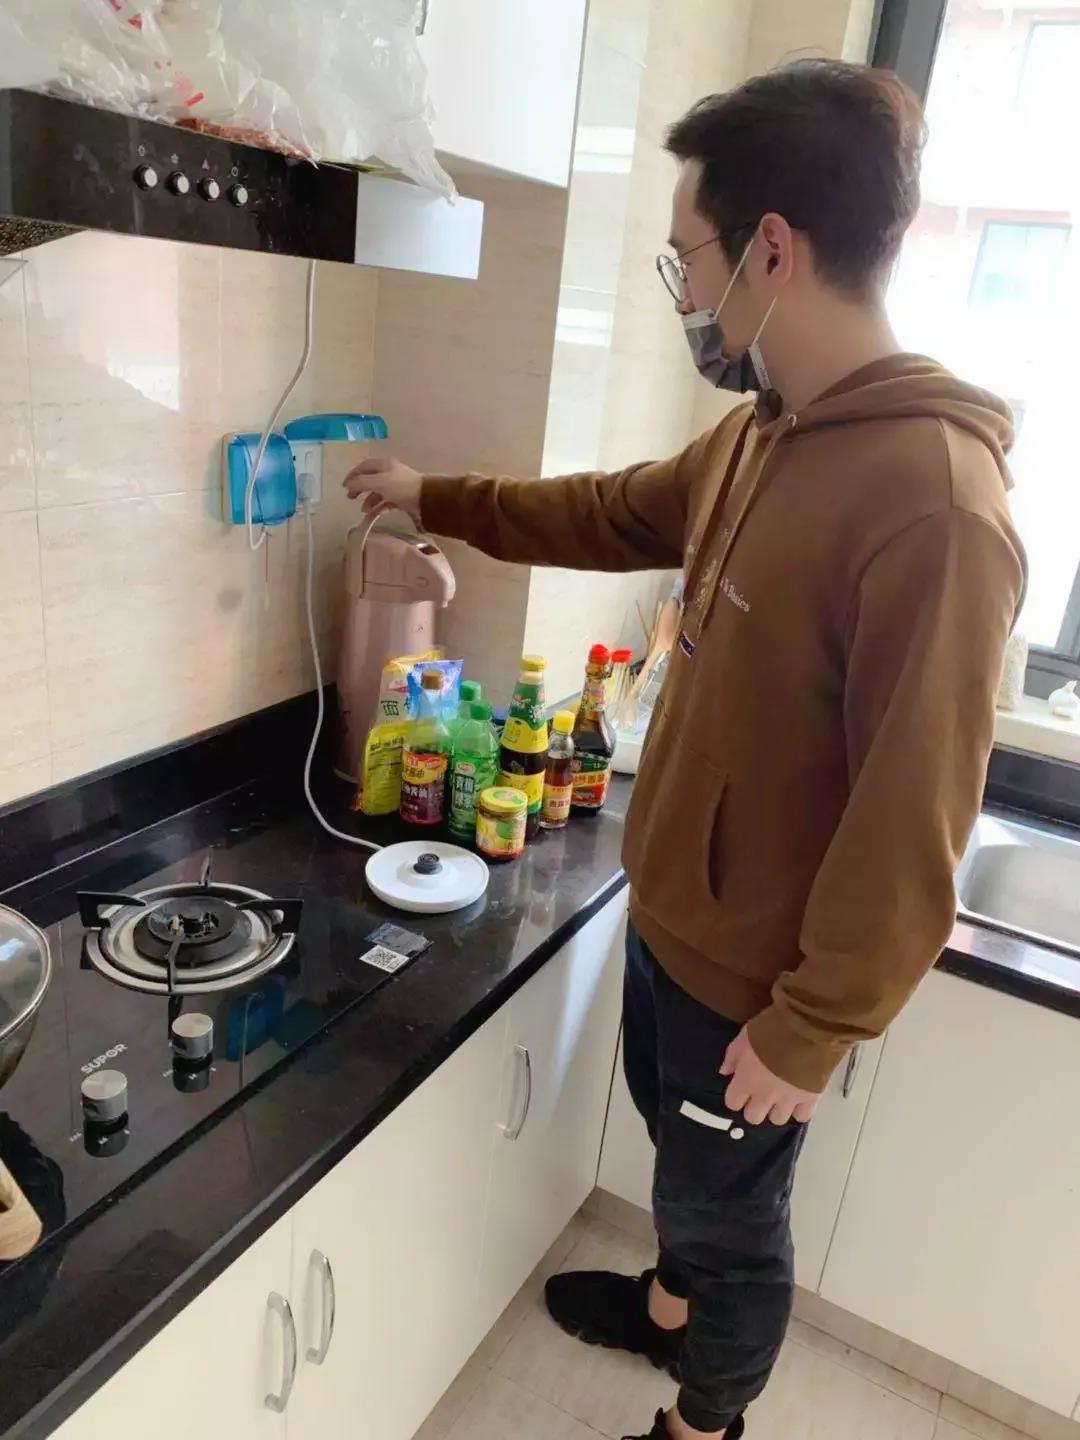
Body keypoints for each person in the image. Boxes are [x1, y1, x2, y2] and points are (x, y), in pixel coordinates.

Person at [344, 60, 1026, 1440]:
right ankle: (666, 1310)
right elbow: (607, 511)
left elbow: (916, 817)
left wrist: (809, 1030)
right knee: (683, 1174)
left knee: (734, 1224)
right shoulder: (763, 433)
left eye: (686, 258)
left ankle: (704, 1420)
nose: (684, 292)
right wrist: (436, 495)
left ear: (772, 249)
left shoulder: (938, 507)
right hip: (677, 920)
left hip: (759, 982)